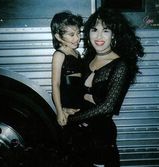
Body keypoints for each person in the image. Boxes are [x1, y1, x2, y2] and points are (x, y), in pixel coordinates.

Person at [66, 7, 144, 166]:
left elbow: (107, 107)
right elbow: (77, 94)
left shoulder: (120, 65)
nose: (99, 36)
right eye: (94, 29)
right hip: (79, 137)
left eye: (106, 30)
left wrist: (73, 119)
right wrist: (66, 109)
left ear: (113, 34)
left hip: (99, 139)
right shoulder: (87, 59)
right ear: (88, 33)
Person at [50, 11, 83, 127]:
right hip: (67, 107)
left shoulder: (77, 53)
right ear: (58, 36)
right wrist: (59, 111)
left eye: (79, 33)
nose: (78, 38)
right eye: (72, 34)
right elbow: (56, 85)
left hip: (77, 104)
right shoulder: (59, 55)